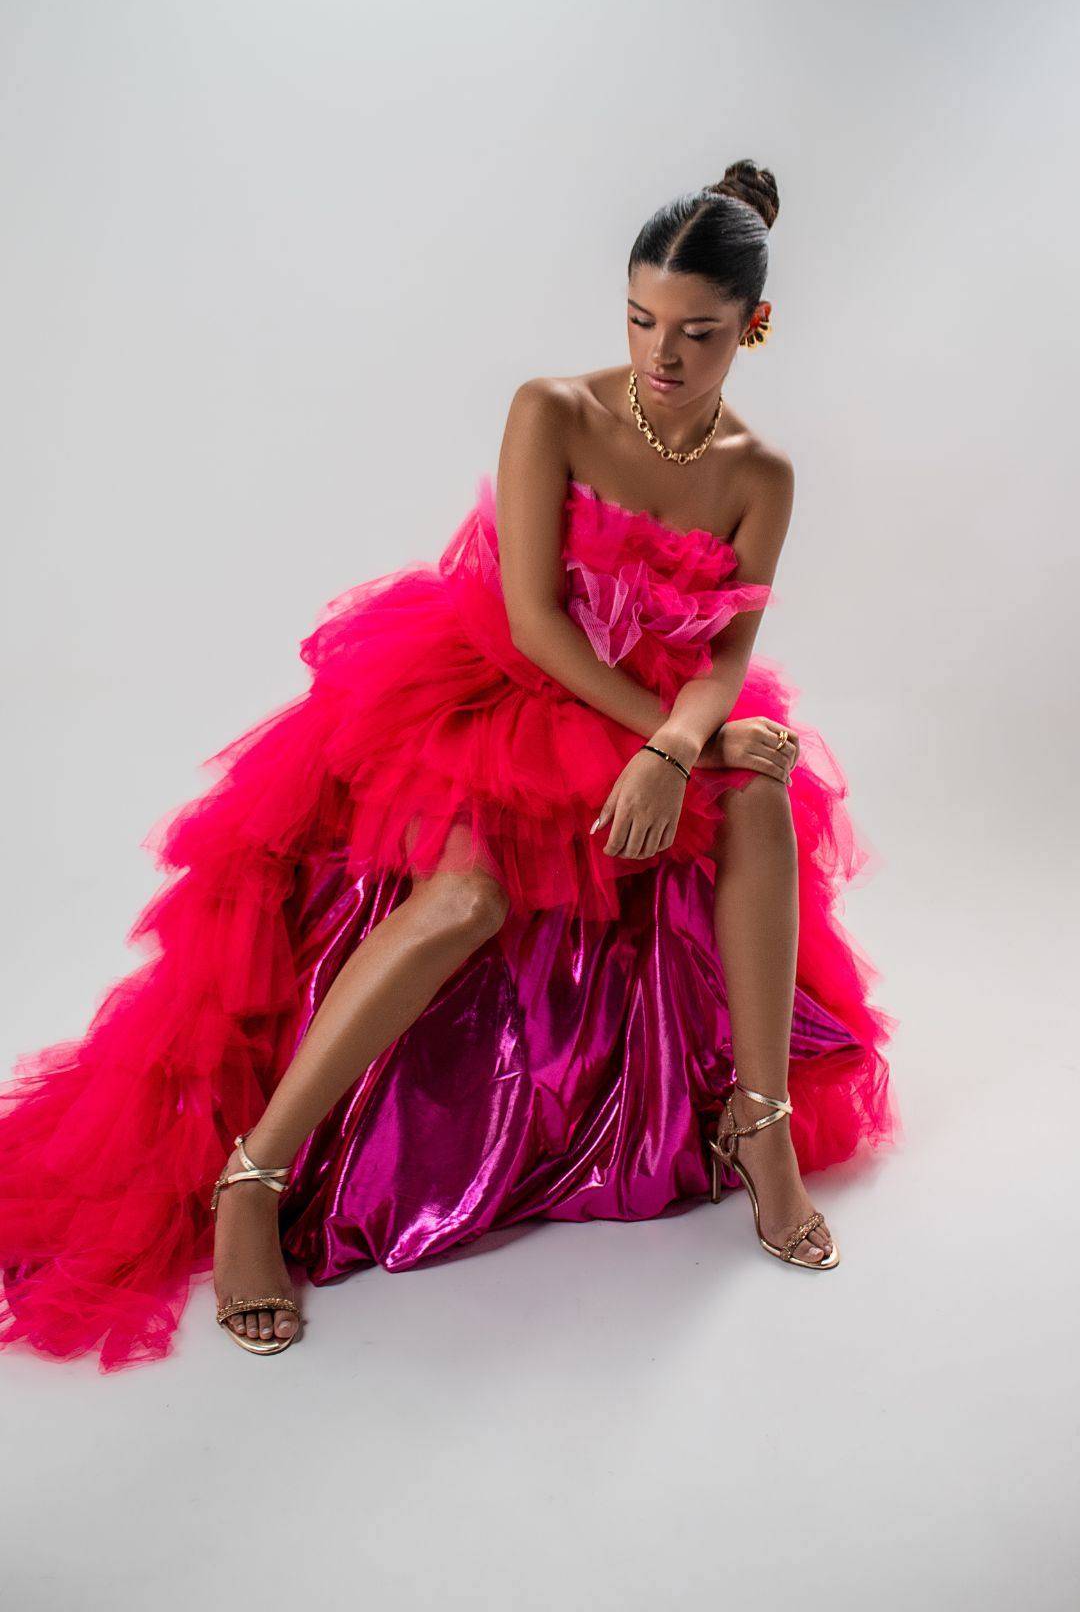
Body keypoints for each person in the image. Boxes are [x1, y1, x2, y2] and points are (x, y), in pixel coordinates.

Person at [0, 157, 900, 1369]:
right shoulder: (554, 411)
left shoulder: (761, 475)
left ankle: (762, 1126)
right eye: (641, 320)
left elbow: (726, 654)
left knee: (763, 786)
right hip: (495, 695)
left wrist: (687, 743)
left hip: (645, 709)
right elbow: (533, 622)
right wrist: (663, 740)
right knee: (467, 898)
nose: (662, 354)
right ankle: (252, 1179)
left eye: (697, 332)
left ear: (755, 324)